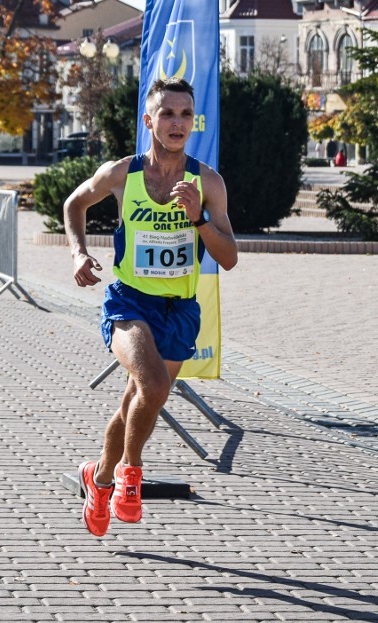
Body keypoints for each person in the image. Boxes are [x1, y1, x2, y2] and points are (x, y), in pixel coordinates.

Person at [63, 78, 239, 537]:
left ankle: (98, 478)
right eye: (167, 114)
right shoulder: (122, 174)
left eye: (185, 114)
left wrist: (199, 218)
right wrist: (78, 253)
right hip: (129, 300)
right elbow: (73, 204)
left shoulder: (208, 182)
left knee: (136, 403)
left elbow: (229, 257)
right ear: (149, 121)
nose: (177, 123)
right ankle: (129, 476)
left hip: (180, 308)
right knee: (154, 385)